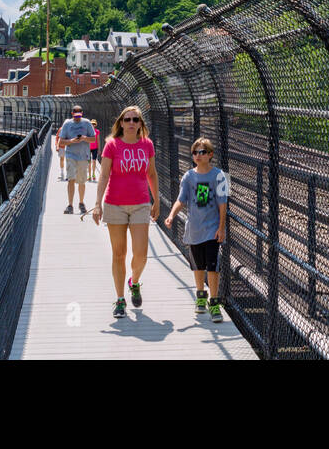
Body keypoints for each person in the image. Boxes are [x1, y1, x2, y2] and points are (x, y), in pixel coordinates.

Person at [91, 105, 158, 318]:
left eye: (135, 120)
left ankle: (134, 281)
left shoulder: (147, 145)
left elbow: (152, 174)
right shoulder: (112, 145)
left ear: (140, 124)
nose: (131, 123)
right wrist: (97, 203)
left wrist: (156, 201)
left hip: (140, 203)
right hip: (115, 204)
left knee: (141, 254)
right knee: (118, 254)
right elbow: (103, 176)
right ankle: (120, 299)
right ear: (121, 123)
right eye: (127, 119)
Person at [164, 137, 228, 322]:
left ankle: (214, 303)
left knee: (213, 266)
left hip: (212, 229)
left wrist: (221, 227)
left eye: (201, 152)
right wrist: (171, 215)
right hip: (194, 229)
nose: (197, 156)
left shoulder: (220, 176)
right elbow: (181, 199)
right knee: (198, 265)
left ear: (210, 155)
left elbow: (223, 203)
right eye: (195, 152)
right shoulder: (189, 176)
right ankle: (201, 297)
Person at [57, 105, 96, 214]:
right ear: (72, 113)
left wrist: (84, 138)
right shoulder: (67, 124)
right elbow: (61, 142)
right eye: (76, 114)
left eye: (79, 114)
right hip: (71, 156)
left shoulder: (87, 123)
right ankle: (70, 205)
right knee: (71, 179)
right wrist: (72, 141)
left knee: (82, 181)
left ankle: (81, 202)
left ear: (82, 113)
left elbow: (93, 139)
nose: (78, 117)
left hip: (83, 156)